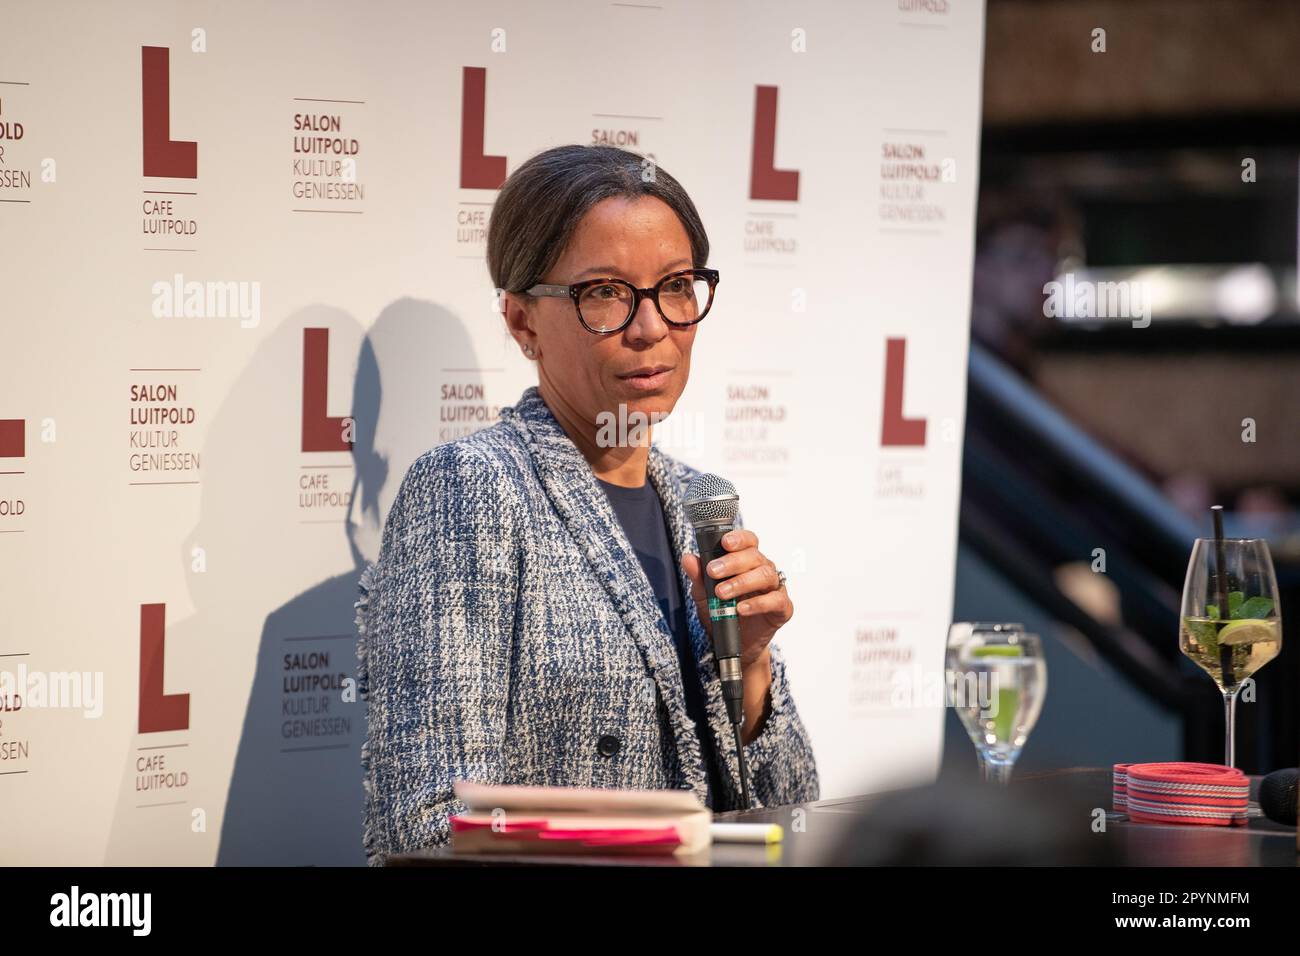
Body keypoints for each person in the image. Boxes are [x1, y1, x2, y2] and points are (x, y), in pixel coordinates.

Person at [356, 144, 818, 864]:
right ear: (522, 322)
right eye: (603, 292)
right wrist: (672, 839)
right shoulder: (472, 488)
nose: (651, 328)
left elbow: (792, 815)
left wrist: (750, 669)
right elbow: (429, 829)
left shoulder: (704, 501)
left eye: (675, 286)